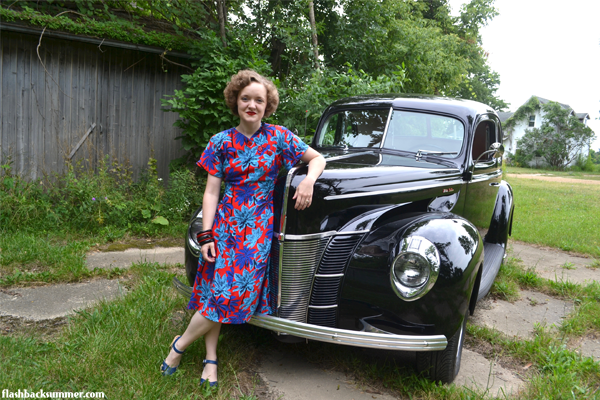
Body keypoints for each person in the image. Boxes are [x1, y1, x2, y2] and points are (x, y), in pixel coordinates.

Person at [161, 70, 326, 387]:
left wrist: (309, 180)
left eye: (259, 100)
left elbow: (317, 158)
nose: (252, 104)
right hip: (224, 226)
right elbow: (211, 192)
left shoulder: (278, 138)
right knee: (214, 293)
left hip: (257, 232)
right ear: (235, 101)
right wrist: (206, 234)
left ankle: (178, 347)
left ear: (268, 106)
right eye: (245, 98)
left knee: (228, 295)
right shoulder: (220, 142)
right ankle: (211, 360)